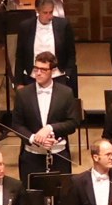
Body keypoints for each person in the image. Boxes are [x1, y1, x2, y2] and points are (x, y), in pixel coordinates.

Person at [9, 50, 81, 185]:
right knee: (32, 199)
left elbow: (73, 123)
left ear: (53, 71)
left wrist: (49, 128)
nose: (38, 73)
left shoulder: (66, 93)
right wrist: (34, 138)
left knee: (62, 197)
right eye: (36, 69)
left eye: (43, 69)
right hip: (31, 156)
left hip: (58, 155)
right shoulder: (23, 94)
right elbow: (16, 124)